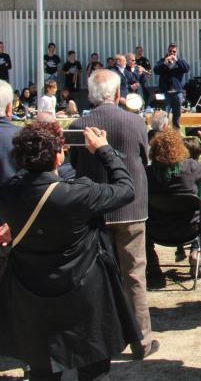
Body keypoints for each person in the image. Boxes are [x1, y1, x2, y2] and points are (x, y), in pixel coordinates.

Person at [0, 122, 141, 381]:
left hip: (31, 292)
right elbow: (126, 189)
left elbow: (22, 182)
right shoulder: (77, 193)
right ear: (58, 155)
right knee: (93, 368)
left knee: (42, 368)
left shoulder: (9, 193)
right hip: (84, 290)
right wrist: (105, 150)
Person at [70, 68, 157, 359]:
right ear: (118, 94)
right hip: (131, 209)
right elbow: (145, 159)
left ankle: (97, 340)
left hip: (93, 211)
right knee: (134, 276)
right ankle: (142, 341)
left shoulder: (78, 125)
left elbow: (72, 168)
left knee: (93, 279)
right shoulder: (135, 122)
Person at [144, 129, 201, 283]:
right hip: (188, 230)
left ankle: (153, 266)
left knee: (142, 219)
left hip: (156, 231)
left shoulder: (147, 174)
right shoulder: (191, 167)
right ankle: (195, 250)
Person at [153, 43, 190, 128]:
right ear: (167, 51)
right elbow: (156, 71)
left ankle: (176, 132)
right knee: (164, 113)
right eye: (170, 51)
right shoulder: (162, 61)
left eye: (174, 51)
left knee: (177, 113)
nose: (172, 53)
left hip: (177, 92)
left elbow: (187, 69)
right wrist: (165, 63)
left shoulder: (180, 61)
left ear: (176, 52)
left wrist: (176, 60)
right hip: (165, 92)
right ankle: (163, 131)